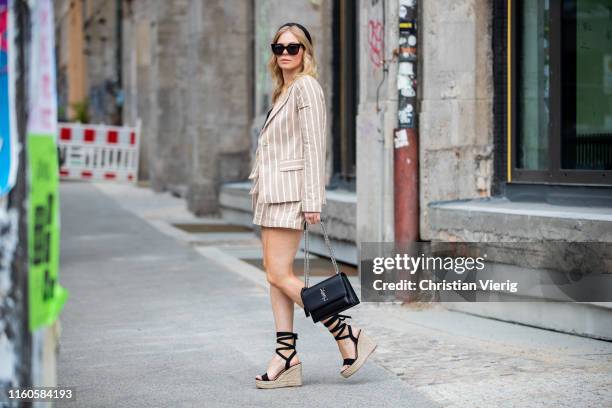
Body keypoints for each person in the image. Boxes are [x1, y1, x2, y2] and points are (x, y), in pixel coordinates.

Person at [249, 22, 377, 389]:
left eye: (294, 48)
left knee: (278, 274)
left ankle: (345, 333)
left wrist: (312, 200)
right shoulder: (283, 90)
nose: (286, 54)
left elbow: (313, 146)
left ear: (306, 51)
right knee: (275, 275)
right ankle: (286, 354)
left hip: (291, 194)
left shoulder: (306, 87)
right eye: (280, 48)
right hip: (271, 193)